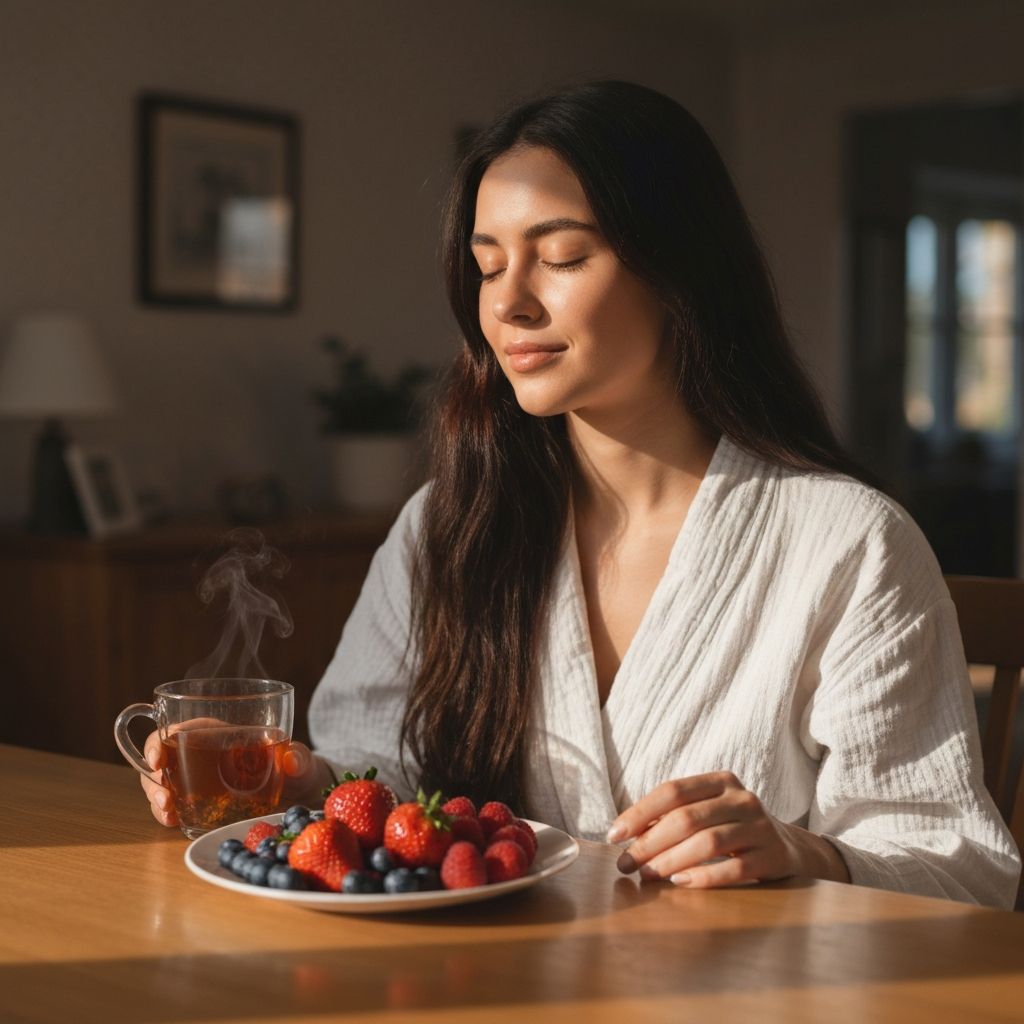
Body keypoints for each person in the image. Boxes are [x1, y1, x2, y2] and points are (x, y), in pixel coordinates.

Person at [141, 80, 1020, 908]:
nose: (510, 304)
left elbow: (961, 865)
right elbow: (378, 774)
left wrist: (806, 853)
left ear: (681, 273)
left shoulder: (849, 543)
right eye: (488, 267)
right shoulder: (448, 526)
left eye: (562, 256)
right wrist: (292, 777)